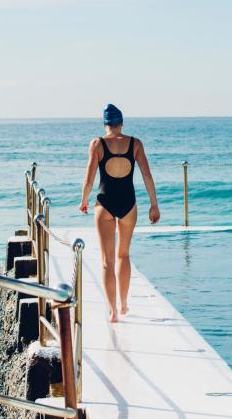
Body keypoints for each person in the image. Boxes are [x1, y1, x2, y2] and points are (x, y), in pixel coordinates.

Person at [80, 104, 160, 322]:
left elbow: (89, 179)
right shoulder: (135, 144)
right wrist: (154, 204)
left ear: (105, 124)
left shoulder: (97, 144)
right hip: (128, 204)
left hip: (104, 203)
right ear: (121, 122)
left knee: (106, 260)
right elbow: (147, 176)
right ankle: (124, 303)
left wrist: (84, 200)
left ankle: (113, 310)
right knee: (123, 255)